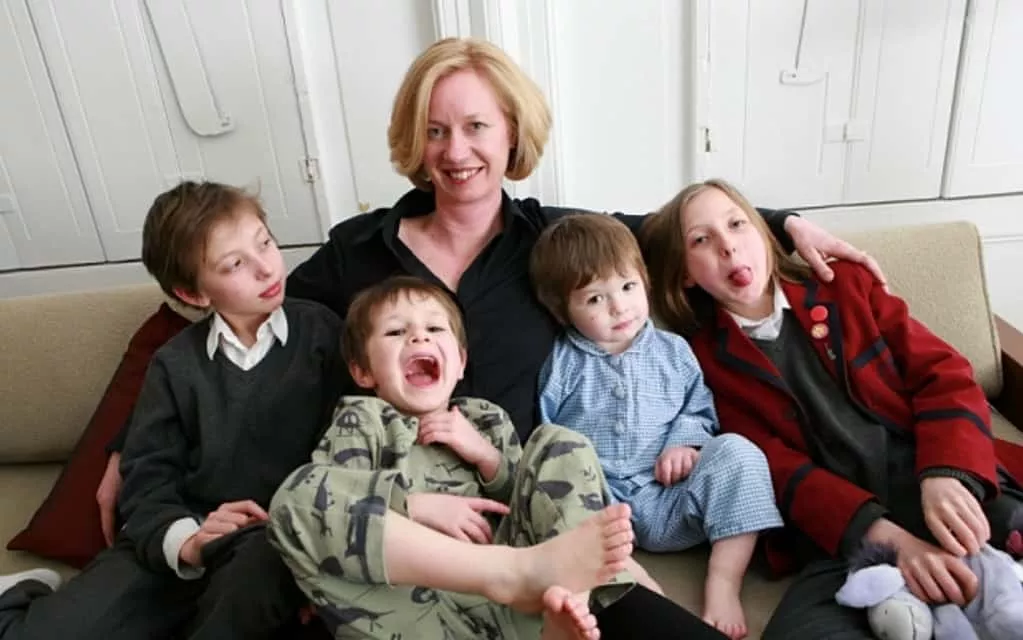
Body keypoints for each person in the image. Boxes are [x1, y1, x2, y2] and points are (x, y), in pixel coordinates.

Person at [96, 36, 884, 635]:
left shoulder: (554, 244)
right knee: (296, 515)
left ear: (511, 133)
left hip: (525, 511)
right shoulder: (356, 253)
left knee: (579, 499)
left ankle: (549, 584)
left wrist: (782, 224)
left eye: (476, 126)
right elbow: (226, 314)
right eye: (435, 130)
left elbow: (677, 226)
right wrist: (120, 446)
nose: (455, 151)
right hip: (395, 518)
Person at [639, 178, 1023, 639]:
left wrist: (946, 475)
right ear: (685, 273)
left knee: (1000, 546)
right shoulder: (700, 359)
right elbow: (778, 470)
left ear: (764, 233)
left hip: (936, 481)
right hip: (849, 533)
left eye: (737, 224)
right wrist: (891, 541)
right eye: (701, 240)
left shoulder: (845, 284)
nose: (728, 246)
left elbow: (944, 374)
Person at [0, 181, 344, 639]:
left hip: (268, 545)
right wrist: (190, 543)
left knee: (256, 574)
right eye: (235, 264)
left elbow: (347, 451)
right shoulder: (174, 364)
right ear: (195, 294)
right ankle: (23, 595)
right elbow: (146, 480)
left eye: (265, 243)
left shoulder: (322, 334)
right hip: (180, 538)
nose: (266, 268)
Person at [268, 275, 648, 640]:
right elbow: (337, 511)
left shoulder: (485, 419)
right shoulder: (362, 421)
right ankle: (512, 573)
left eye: (435, 328)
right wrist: (413, 506)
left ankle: (570, 599)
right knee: (298, 496)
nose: (419, 336)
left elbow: (531, 501)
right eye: (396, 332)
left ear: (461, 361)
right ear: (363, 371)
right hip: (416, 611)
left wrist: (487, 457)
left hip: (526, 605)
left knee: (559, 441)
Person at [530, 214, 783, 639]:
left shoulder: (673, 350)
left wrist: (685, 444)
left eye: (628, 287)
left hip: (672, 498)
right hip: (602, 506)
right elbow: (549, 436)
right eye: (595, 299)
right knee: (556, 467)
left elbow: (698, 409)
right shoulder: (562, 364)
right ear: (562, 310)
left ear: (644, 283)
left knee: (739, 452)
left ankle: (723, 583)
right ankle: (628, 574)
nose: (619, 307)